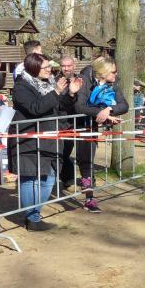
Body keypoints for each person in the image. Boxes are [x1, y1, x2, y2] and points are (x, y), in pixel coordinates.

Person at [11, 53, 81, 230]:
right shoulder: (21, 86)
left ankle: (34, 214)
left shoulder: (48, 83)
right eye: (46, 67)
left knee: (49, 179)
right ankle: (32, 218)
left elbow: (59, 107)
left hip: (49, 138)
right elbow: (35, 108)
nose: (50, 69)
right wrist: (55, 92)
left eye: (50, 66)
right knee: (30, 179)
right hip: (29, 141)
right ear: (34, 68)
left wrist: (70, 94)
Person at [74, 56, 128, 213]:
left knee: (87, 156)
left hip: (89, 124)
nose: (116, 74)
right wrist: (100, 112)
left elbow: (124, 105)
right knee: (62, 158)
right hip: (69, 123)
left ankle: (89, 199)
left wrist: (109, 110)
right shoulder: (84, 80)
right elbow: (78, 106)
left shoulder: (112, 82)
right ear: (104, 72)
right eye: (113, 72)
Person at [57, 56, 78, 189]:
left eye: (69, 65)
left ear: (74, 66)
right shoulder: (56, 81)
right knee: (62, 152)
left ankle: (69, 178)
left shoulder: (81, 80)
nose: (66, 68)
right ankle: (67, 179)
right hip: (61, 122)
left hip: (77, 122)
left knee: (68, 152)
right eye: (63, 66)